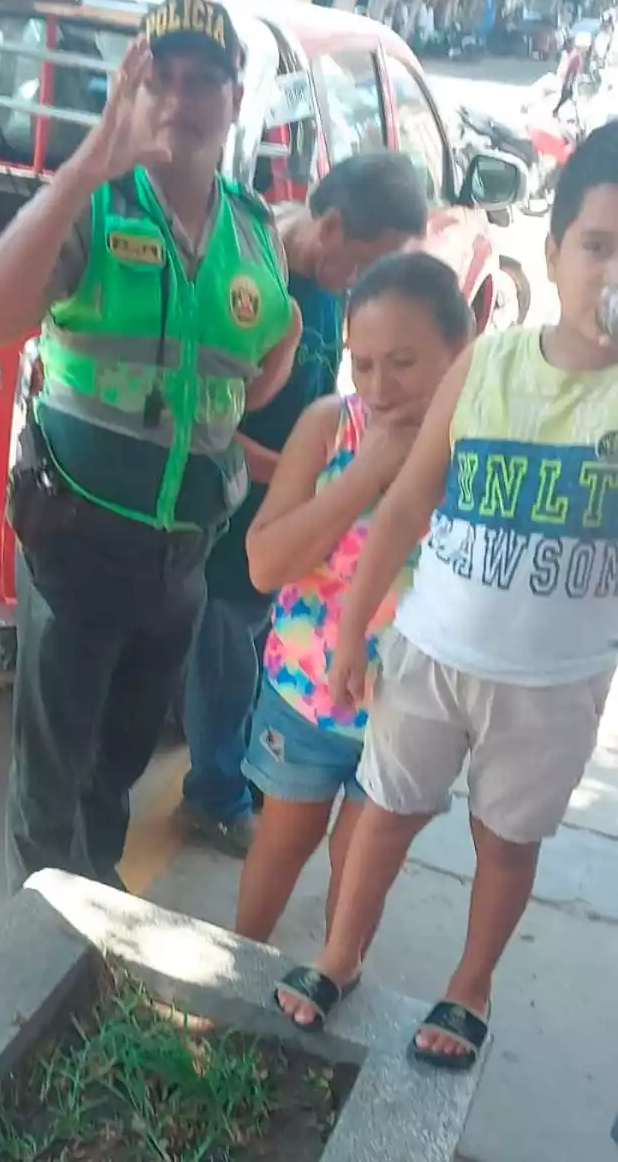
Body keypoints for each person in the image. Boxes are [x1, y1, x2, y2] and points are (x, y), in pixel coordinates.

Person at [273, 120, 618, 1071]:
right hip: (430, 652)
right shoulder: (490, 363)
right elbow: (403, 505)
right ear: (553, 254)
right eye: (598, 245)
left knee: (507, 841)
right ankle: (339, 955)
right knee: (381, 811)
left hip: (552, 682)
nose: (611, 272)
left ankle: (470, 985)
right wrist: (352, 633)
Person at [0, 0, 302, 892]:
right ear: (131, 92)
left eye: (202, 82)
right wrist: (84, 167)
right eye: (160, 79)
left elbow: (244, 378)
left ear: (235, 99)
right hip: (77, 543)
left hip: (183, 561)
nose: (180, 100)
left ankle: (95, 906)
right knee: (51, 778)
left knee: (119, 768)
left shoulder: (256, 232)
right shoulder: (97, 207)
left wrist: (277, 354)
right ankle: (32, 958)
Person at [175, 153, 428, 858]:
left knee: (258, 651)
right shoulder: (253, 278)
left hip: (289, 514)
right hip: (231, 515)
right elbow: (210, 421)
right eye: (369, 261)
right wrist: (309, 477)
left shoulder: (326, 287)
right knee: (224, 661)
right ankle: (214, 795)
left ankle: (242, 771)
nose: (370, 283)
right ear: (334, 225)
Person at [235, 253, 472, 949]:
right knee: (282, 843)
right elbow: (264, 563)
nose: (378, 385)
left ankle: (330, 982)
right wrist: (364, 472)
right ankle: (230, 982)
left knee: (360, 863)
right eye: (361, 363)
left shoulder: (481, 452)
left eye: (401, 361)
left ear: (459, 349)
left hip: (414, 709)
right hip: (306, 695)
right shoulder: (328, 427)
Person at [554, 33, 583, 117]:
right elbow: (571, 71)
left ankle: (556, 111)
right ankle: (556, 112)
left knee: (568, 99)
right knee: (569, 99)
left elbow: (572, 71)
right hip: (570, 82)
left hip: (570, 81)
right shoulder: (575, 55)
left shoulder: (574, 55)